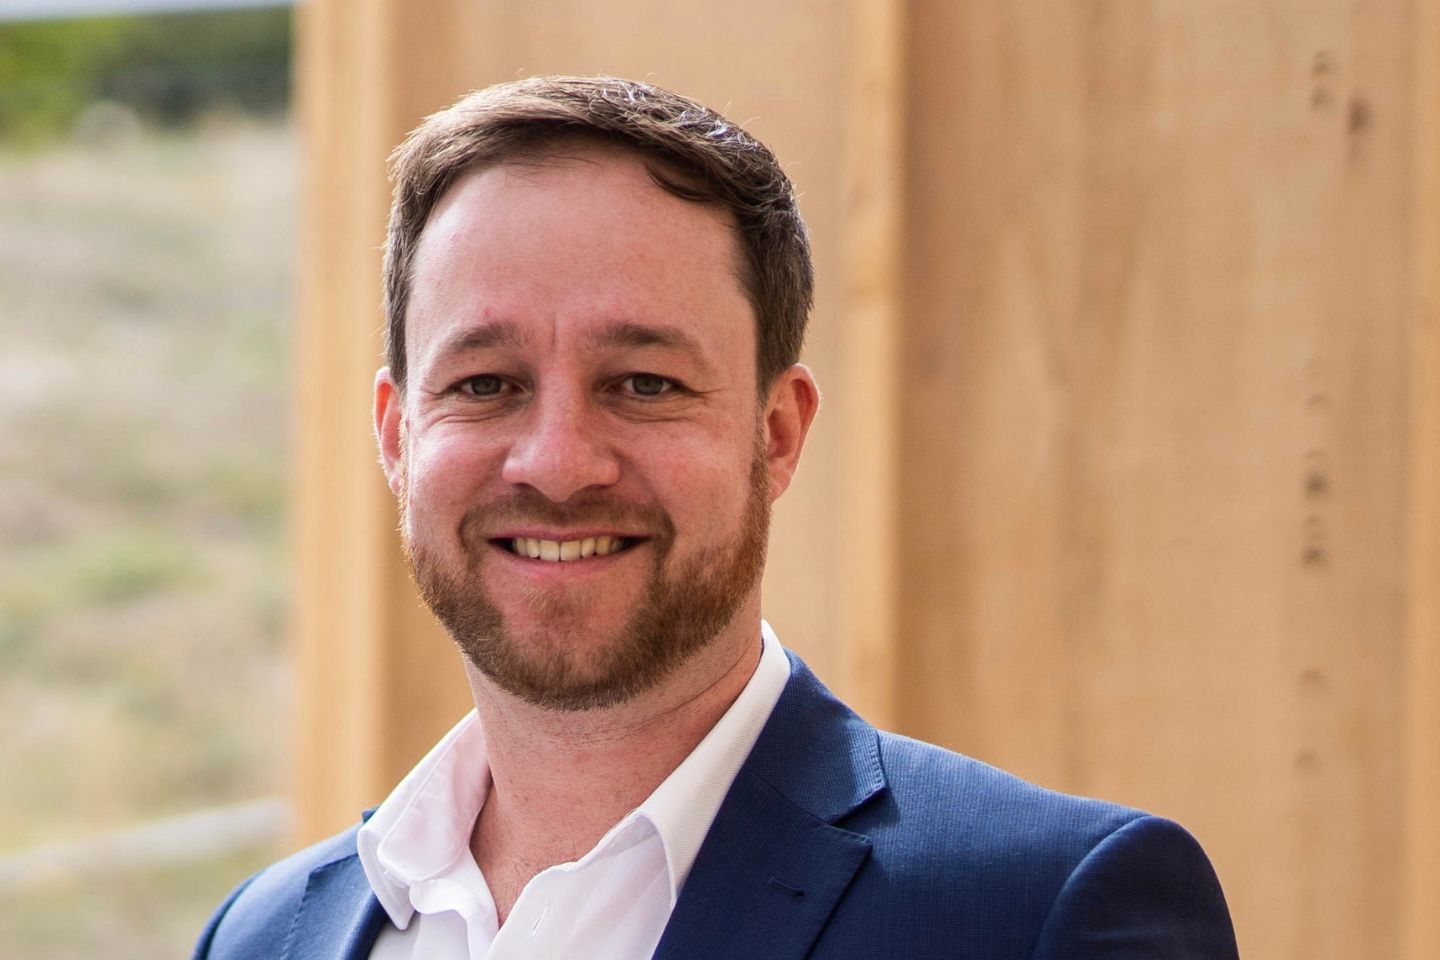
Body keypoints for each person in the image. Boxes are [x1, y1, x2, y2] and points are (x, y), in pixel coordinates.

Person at [193, 75, 1239, 960]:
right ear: (396, 436)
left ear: (776, 434)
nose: (557, 462)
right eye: (485, 384)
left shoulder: (1043, 914)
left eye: (644, 384)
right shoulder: (259, 936)